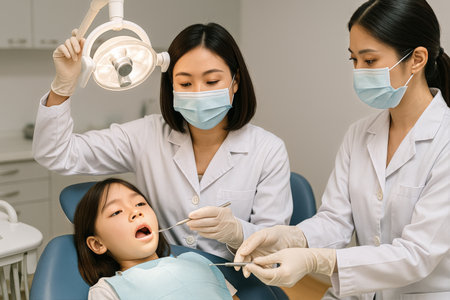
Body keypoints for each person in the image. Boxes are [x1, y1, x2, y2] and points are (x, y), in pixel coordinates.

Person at [234, 0, 450, 299]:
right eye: (354, 60)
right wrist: (294, 237)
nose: (359, 71)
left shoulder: (445, 140)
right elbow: (336, 219)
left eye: (370, 60)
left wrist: (320, 260)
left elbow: (418, 254)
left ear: (417, 59)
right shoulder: (360, 134)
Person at [32, 23, 293, 260]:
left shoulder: (267, 150)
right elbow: (56, 154)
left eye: (212, 81)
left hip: (237, 278)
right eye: (185, 83)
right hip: (163, 273)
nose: (199, 93)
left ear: (235, 82)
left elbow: (275, 250)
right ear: (171, 86)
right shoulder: (147, 135)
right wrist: (62, 86)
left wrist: (237, 233)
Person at [74, 177, 237, 299]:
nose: (136, 212)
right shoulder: (107, 290)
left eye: (140, 204)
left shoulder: (198, 262)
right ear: (97, 244)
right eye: (116, 212)